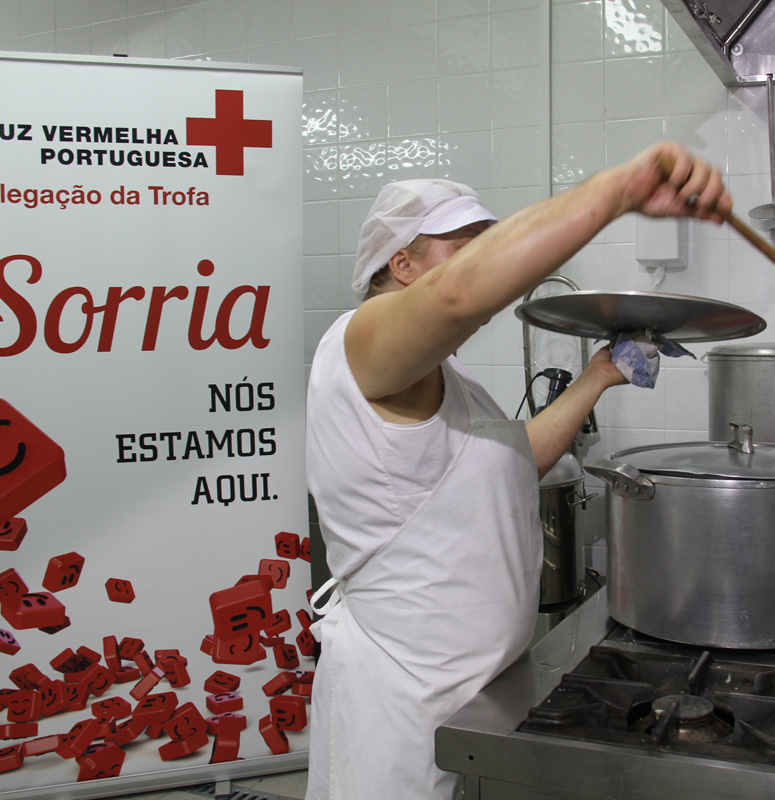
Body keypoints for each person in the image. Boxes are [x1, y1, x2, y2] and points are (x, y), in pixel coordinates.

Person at [304, 141, 731, 800]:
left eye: (487, 243)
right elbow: (459, 295)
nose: (483, 259)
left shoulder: (443, 377)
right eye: (463, 245)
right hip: (405, 698)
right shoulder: (362, 340)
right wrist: (620, 189)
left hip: (473, 689)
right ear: (402, 264)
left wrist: (598, 376)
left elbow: (507, 466)